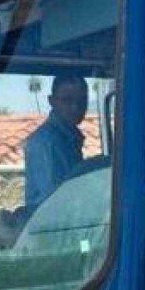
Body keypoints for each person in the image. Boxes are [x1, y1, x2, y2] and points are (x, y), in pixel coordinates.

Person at [25, 75, 89, 208]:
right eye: (67, 100)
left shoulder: (70, 139)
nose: (75, 107)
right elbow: (52, 201)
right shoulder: (45, 142)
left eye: (82, 100)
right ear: (51, 101)